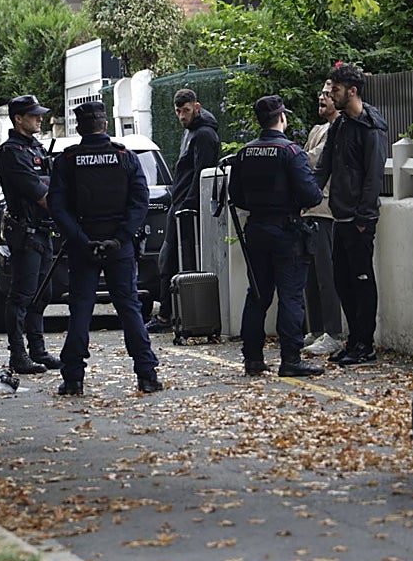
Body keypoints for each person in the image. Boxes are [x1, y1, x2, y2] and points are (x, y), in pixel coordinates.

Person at [48, 100, 162, 396]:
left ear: (79, 128)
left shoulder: (67, 160)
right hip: (119, 246)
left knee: (81, 311)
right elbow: (140, 201)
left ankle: (73, 378)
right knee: (129, 309)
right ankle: (146, 374)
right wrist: (120, 238)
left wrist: (81, 240)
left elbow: (57, 208)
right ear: (105, 125)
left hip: (83, 245)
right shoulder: (124, 157)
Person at [228, 96, 325, 377]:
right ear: (281, 118)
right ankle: (291, 359)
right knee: (291, 296)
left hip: (256, 230)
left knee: (257, 295)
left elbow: (237, 197)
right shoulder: (290, 152)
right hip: (287, 232)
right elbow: (311, 195)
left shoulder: (245, 153)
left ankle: (253, 358)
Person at [314, 63, 388, 365]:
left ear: (352, 91)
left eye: (337, 89)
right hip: (339, 216)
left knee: (361, 281)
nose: (331, 93)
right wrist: (305, 197)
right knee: (342, 281)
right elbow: (324, 168)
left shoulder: (371, 126)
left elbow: (373, 175)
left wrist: (363, 217)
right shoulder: (340, 124)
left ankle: (365, 345)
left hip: (359, 220)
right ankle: (354, 341)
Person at [0, 94, 61, 374]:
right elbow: (40, 193)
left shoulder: (36, 147)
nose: (40, 118)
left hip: (43, 231)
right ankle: (17, 355)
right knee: (21, 295)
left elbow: (54, 183)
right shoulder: (11, 152)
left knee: (43, 293)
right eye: (33, 115)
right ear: (18, 119)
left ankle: (38, 349)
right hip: (25, 232)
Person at [146, 88, 220, 332]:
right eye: (178, 112)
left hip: (186, 208)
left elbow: (202, 174)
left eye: (185, 111)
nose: (181, 116)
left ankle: (171, 315)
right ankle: (171, 313)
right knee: (170, 260)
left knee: (176, 260)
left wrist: (188, 203)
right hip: (181, 204)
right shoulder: (192, 132)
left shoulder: (203, 135)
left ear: (196, 107)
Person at [301, 81, 344, 357]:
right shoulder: (317, 129)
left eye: (328, 95)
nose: (322, 98)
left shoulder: (339, 128)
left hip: (326, 209)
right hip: (307, 209)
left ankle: (333, 332)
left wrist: (296, 158)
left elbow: (312, 160)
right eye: (321, 94)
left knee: (326, 275)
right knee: (310, 275)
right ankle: (315, 329)